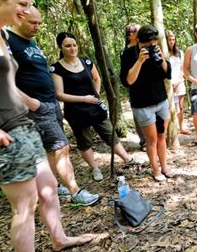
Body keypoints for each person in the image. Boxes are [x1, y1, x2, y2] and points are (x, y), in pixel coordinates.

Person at [0, 0, 94, 252]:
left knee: (49, 189)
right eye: (21, 4)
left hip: (23, 125)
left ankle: (58, 238)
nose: (26, 11)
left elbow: (4, 82)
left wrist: (30, 101)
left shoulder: (1, 36)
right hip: (0, 133)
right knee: (25, 204)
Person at [8, 6, 99, 206]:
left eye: (39, 23)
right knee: (62, 147)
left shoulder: (29, 42)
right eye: (33, 23)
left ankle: (54, 186)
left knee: (51, 150)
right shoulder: (8, 40)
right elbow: (2, 79)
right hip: (37, 107)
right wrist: (30, 102)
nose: (37, 27)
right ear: (18, 17)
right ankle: (76, 192)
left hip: (50, 104)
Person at [51, 32, 137, 181]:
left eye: (74, 45)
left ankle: (128, 159)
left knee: (109, 133)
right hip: (76, 111)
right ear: (60, 47)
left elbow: (96, 78)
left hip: (95, 107)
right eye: (67, 46)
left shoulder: (86, 61)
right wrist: (84, 99)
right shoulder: (56, 68)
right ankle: (95, 168)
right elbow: (59, 94)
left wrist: (95, 95)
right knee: (84, 141)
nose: (72, 48)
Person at [120, 25, 173, 182]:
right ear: (139, 41)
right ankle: (155, 170)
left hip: (161, 101)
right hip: (143, 105)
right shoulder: (129, 54)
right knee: (152, 140)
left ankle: (164, 167)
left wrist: (161, 58)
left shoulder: (156, 50)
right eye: (147, 43)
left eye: (153, 41)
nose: (150, 45)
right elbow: (128, 81)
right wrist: (140, 61)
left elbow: (167, 73)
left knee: (162, 136)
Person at [121, 23, 147, 152]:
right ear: (130, 35)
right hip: (134, 88)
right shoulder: (125, 52)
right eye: (137, 30)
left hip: (148, 86)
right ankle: (144, 141)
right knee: (138, 113)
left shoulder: (143, 47)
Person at [166, 30, 191, 135]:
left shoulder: (180, 53)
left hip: (179, 83)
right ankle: (169, 129)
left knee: (180, 107)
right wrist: (170, 82)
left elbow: (183, 69)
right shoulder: (164, 53)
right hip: (167, 84)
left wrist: (179, 81)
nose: (172, 41)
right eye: (169, 39)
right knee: (168, 107)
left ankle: (181, 127)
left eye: (173, 39)